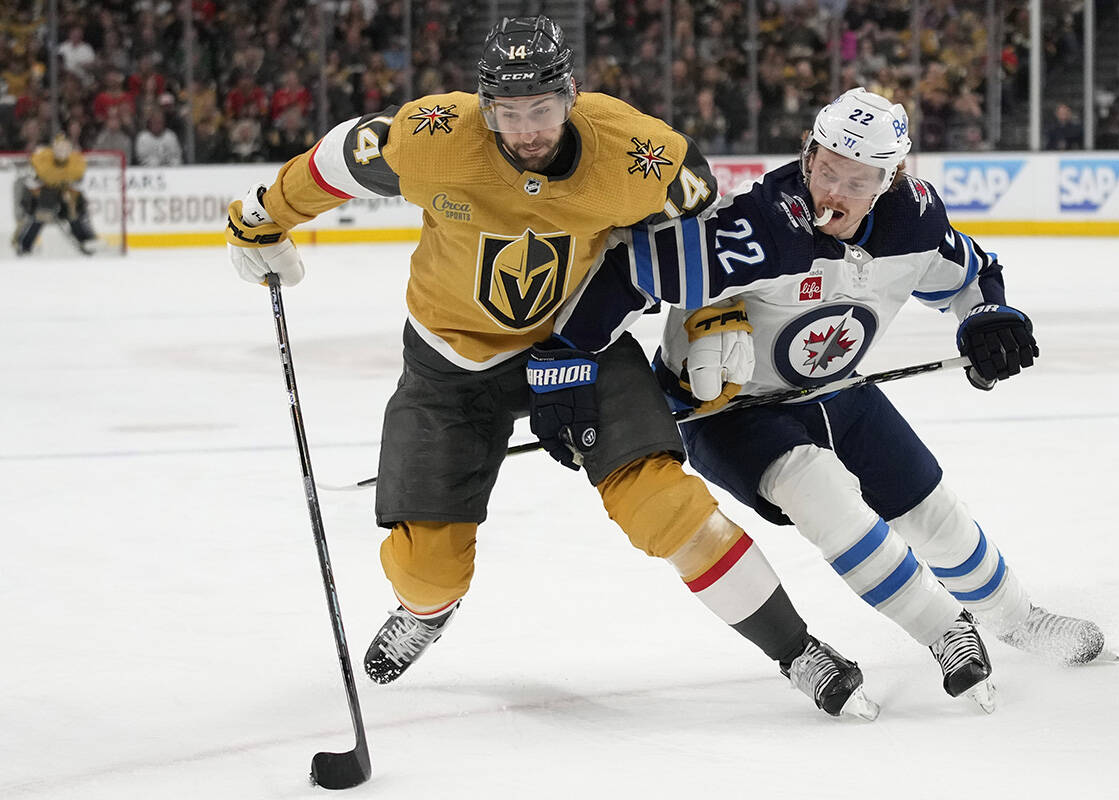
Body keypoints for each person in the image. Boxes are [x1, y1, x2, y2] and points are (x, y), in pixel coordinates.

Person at [224, 16, 877, 719]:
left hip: (578, 344)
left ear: (571, 95)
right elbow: (340, 157)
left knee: (664, 504)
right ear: (485, 106)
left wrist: (708, 314)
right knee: (426, 570)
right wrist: (265, 216)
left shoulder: (637, 153)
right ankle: (426, 610)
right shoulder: (433, 137)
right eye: (509, 113)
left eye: (542, 109)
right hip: (449, 361)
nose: (528, 129)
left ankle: (796, 649)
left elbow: (694, 225)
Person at [638, 88, 1108, 706]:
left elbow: (967, 275)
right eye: (826, 168)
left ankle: (1018, 618)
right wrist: (594, 363)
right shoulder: (753, 223)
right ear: (808, 154)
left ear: (891, 179)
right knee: (820, 491)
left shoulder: (912, 220)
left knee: (930, 510)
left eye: (857, 182)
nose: (833, 192)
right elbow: (635, 277)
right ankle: (944, 630)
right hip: (730, 412)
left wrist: (987, 316)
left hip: (837, 390)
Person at [13, 133, 99, 255]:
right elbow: (30, 183)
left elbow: (79, 186)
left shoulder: (77, 162)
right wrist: (40, 197)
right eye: (59, 148)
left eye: (65, 148)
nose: (62, 151)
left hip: (64, 195)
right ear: (53, 148)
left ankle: (87, 240)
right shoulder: (41, 159)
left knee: (73, 213)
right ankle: (24, 244)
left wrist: (70, 197)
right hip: (44, 195)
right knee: (42, 215)